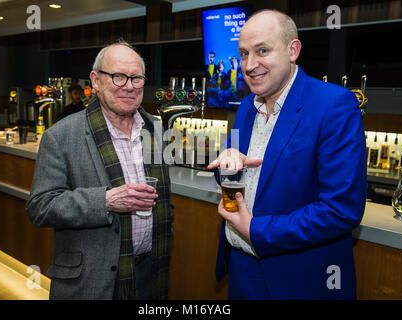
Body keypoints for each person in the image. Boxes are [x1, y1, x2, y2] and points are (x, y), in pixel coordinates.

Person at [208, 9, 366, 299]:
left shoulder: (334, 105)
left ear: (293, 50)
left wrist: (256, 230)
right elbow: (232, 178)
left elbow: (341, 210)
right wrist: (227, 161)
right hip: (240, 269)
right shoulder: (245, 108)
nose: (249, 65)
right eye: (243, 54)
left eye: (262, 51)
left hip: (297, 280)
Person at [26, 40, 174, 300]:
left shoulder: (156, 130)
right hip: (91, 279)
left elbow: (163, 199)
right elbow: (40, 207)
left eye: (136, 78)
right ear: (95, 80)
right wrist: (105, 201)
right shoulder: (61, 136)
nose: (128, 86)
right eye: (118, 77)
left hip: (149, 273)